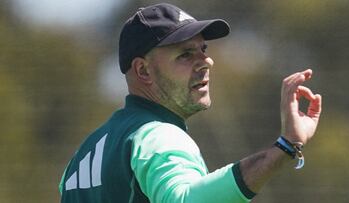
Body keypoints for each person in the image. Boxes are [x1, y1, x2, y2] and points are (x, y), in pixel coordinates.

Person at [59, 3, 322, 203]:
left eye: (203, 50)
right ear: (143, 71)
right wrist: (284, 148)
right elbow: (183, 199)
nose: (206, 61)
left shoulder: (84, 153)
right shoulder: (156, 136)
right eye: (185, 54)